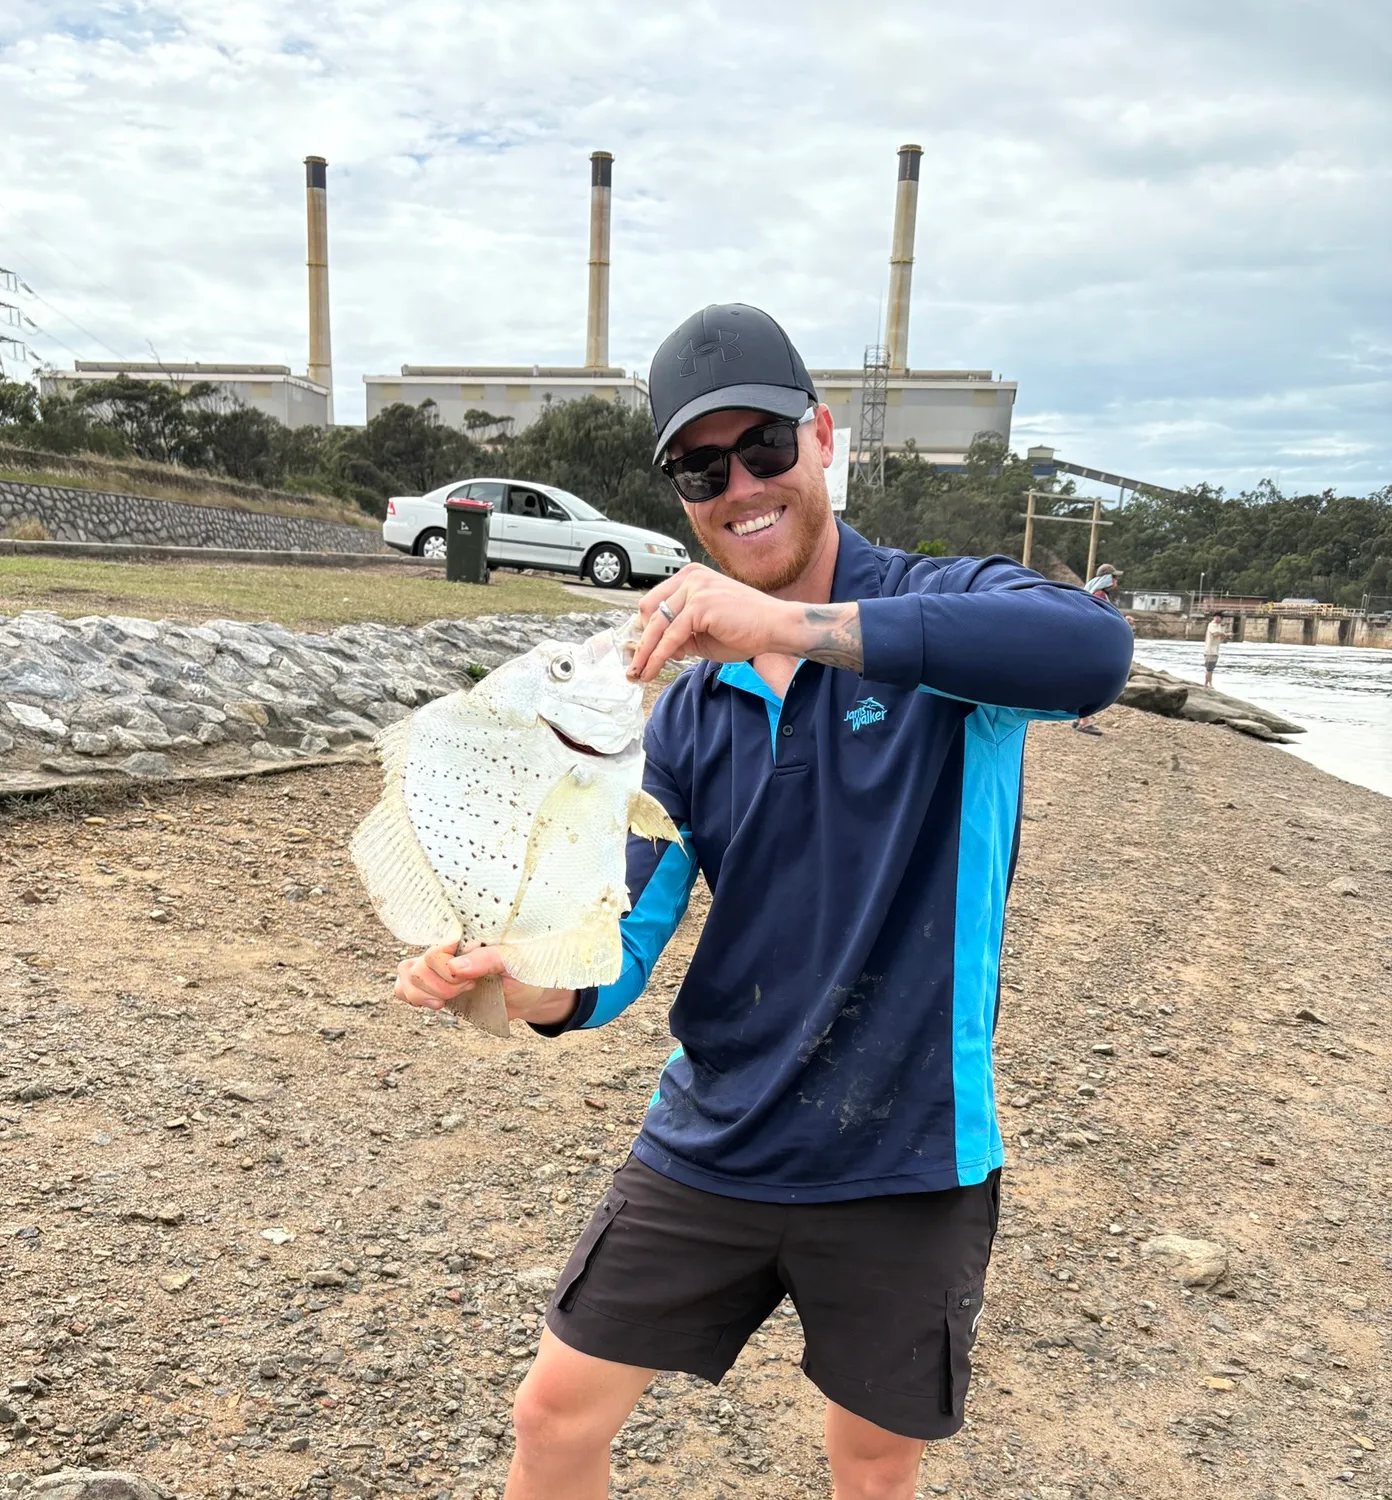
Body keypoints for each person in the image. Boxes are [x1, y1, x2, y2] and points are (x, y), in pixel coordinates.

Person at [394, 304, 1135, 1500]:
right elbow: (616, 950)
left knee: (873, 1465)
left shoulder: (941, 617)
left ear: (823, 438)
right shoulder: (687, 713)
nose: (739, 486)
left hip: (908, 1154)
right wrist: (520, 985)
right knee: (553, 1418)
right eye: (702, 468)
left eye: (764, 448)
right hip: (714, 1138)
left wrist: (792, 627)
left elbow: (1094, 655)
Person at [1072, 563, 1123, 735]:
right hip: (1093, 645)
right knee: (1091, 683)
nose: (1116, 581)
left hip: (1087, 643)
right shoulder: (1099, 595)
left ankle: (1080, 718)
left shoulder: (1093, 593)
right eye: (1114, 577)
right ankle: (1085, 721)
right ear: (1107, 579)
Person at [1204, 610, 1228, 687]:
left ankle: (1207, 684)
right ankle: (1209, 684)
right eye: (1215, 617)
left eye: (1218, 617)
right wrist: (1225, 634)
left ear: (1221, 619)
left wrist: (1225, 635)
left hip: (1215, 651)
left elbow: (1221, 636)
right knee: (1209, 669)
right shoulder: (1211, 625)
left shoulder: (1219, 626)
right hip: (1209, 650)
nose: (1217, 618)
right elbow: (1215, 634)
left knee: (1211, 669)